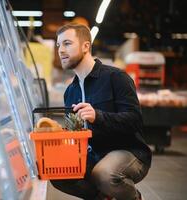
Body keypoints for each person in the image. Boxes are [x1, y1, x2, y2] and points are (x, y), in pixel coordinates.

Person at [51, 23, 152, 200]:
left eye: (67, 43)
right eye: (59, 45)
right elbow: (75, 135)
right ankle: (103, 197)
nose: (60, 50)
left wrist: (99, 116)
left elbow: (135, 120)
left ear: (86, 46)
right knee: (57, 173)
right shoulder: (70, 92)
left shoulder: (116, 78)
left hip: (128, 152)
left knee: (104, 173)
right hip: (92, 155)